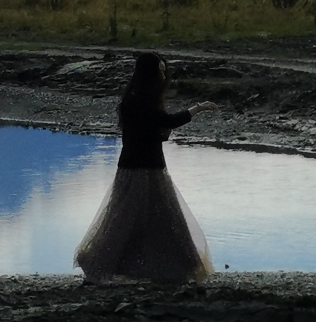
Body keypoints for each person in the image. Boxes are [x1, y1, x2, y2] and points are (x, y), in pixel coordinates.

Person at [74, 53, 215, 282]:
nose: (163, 75)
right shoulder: (141, 101)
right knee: (142, 219)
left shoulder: (135, 99)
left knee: (145, 220)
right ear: (150, 74)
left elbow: (149, 132)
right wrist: (196, 109)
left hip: (140, 165)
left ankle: (160, 268)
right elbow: (166, 122)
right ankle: (107, 264)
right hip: (143, 168)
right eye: (159, 70)